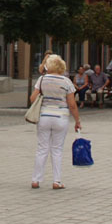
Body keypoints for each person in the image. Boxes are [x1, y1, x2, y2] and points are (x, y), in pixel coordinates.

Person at [31, 54, 81, 189]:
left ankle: (36, 179)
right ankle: (56, 181)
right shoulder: (66, 82)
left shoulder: (41, 80)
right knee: (57, 149)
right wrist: (77, 120)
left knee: (42, 148)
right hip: (61, 117)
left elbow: (32, 99)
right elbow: (72, 104)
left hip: (44, 116)